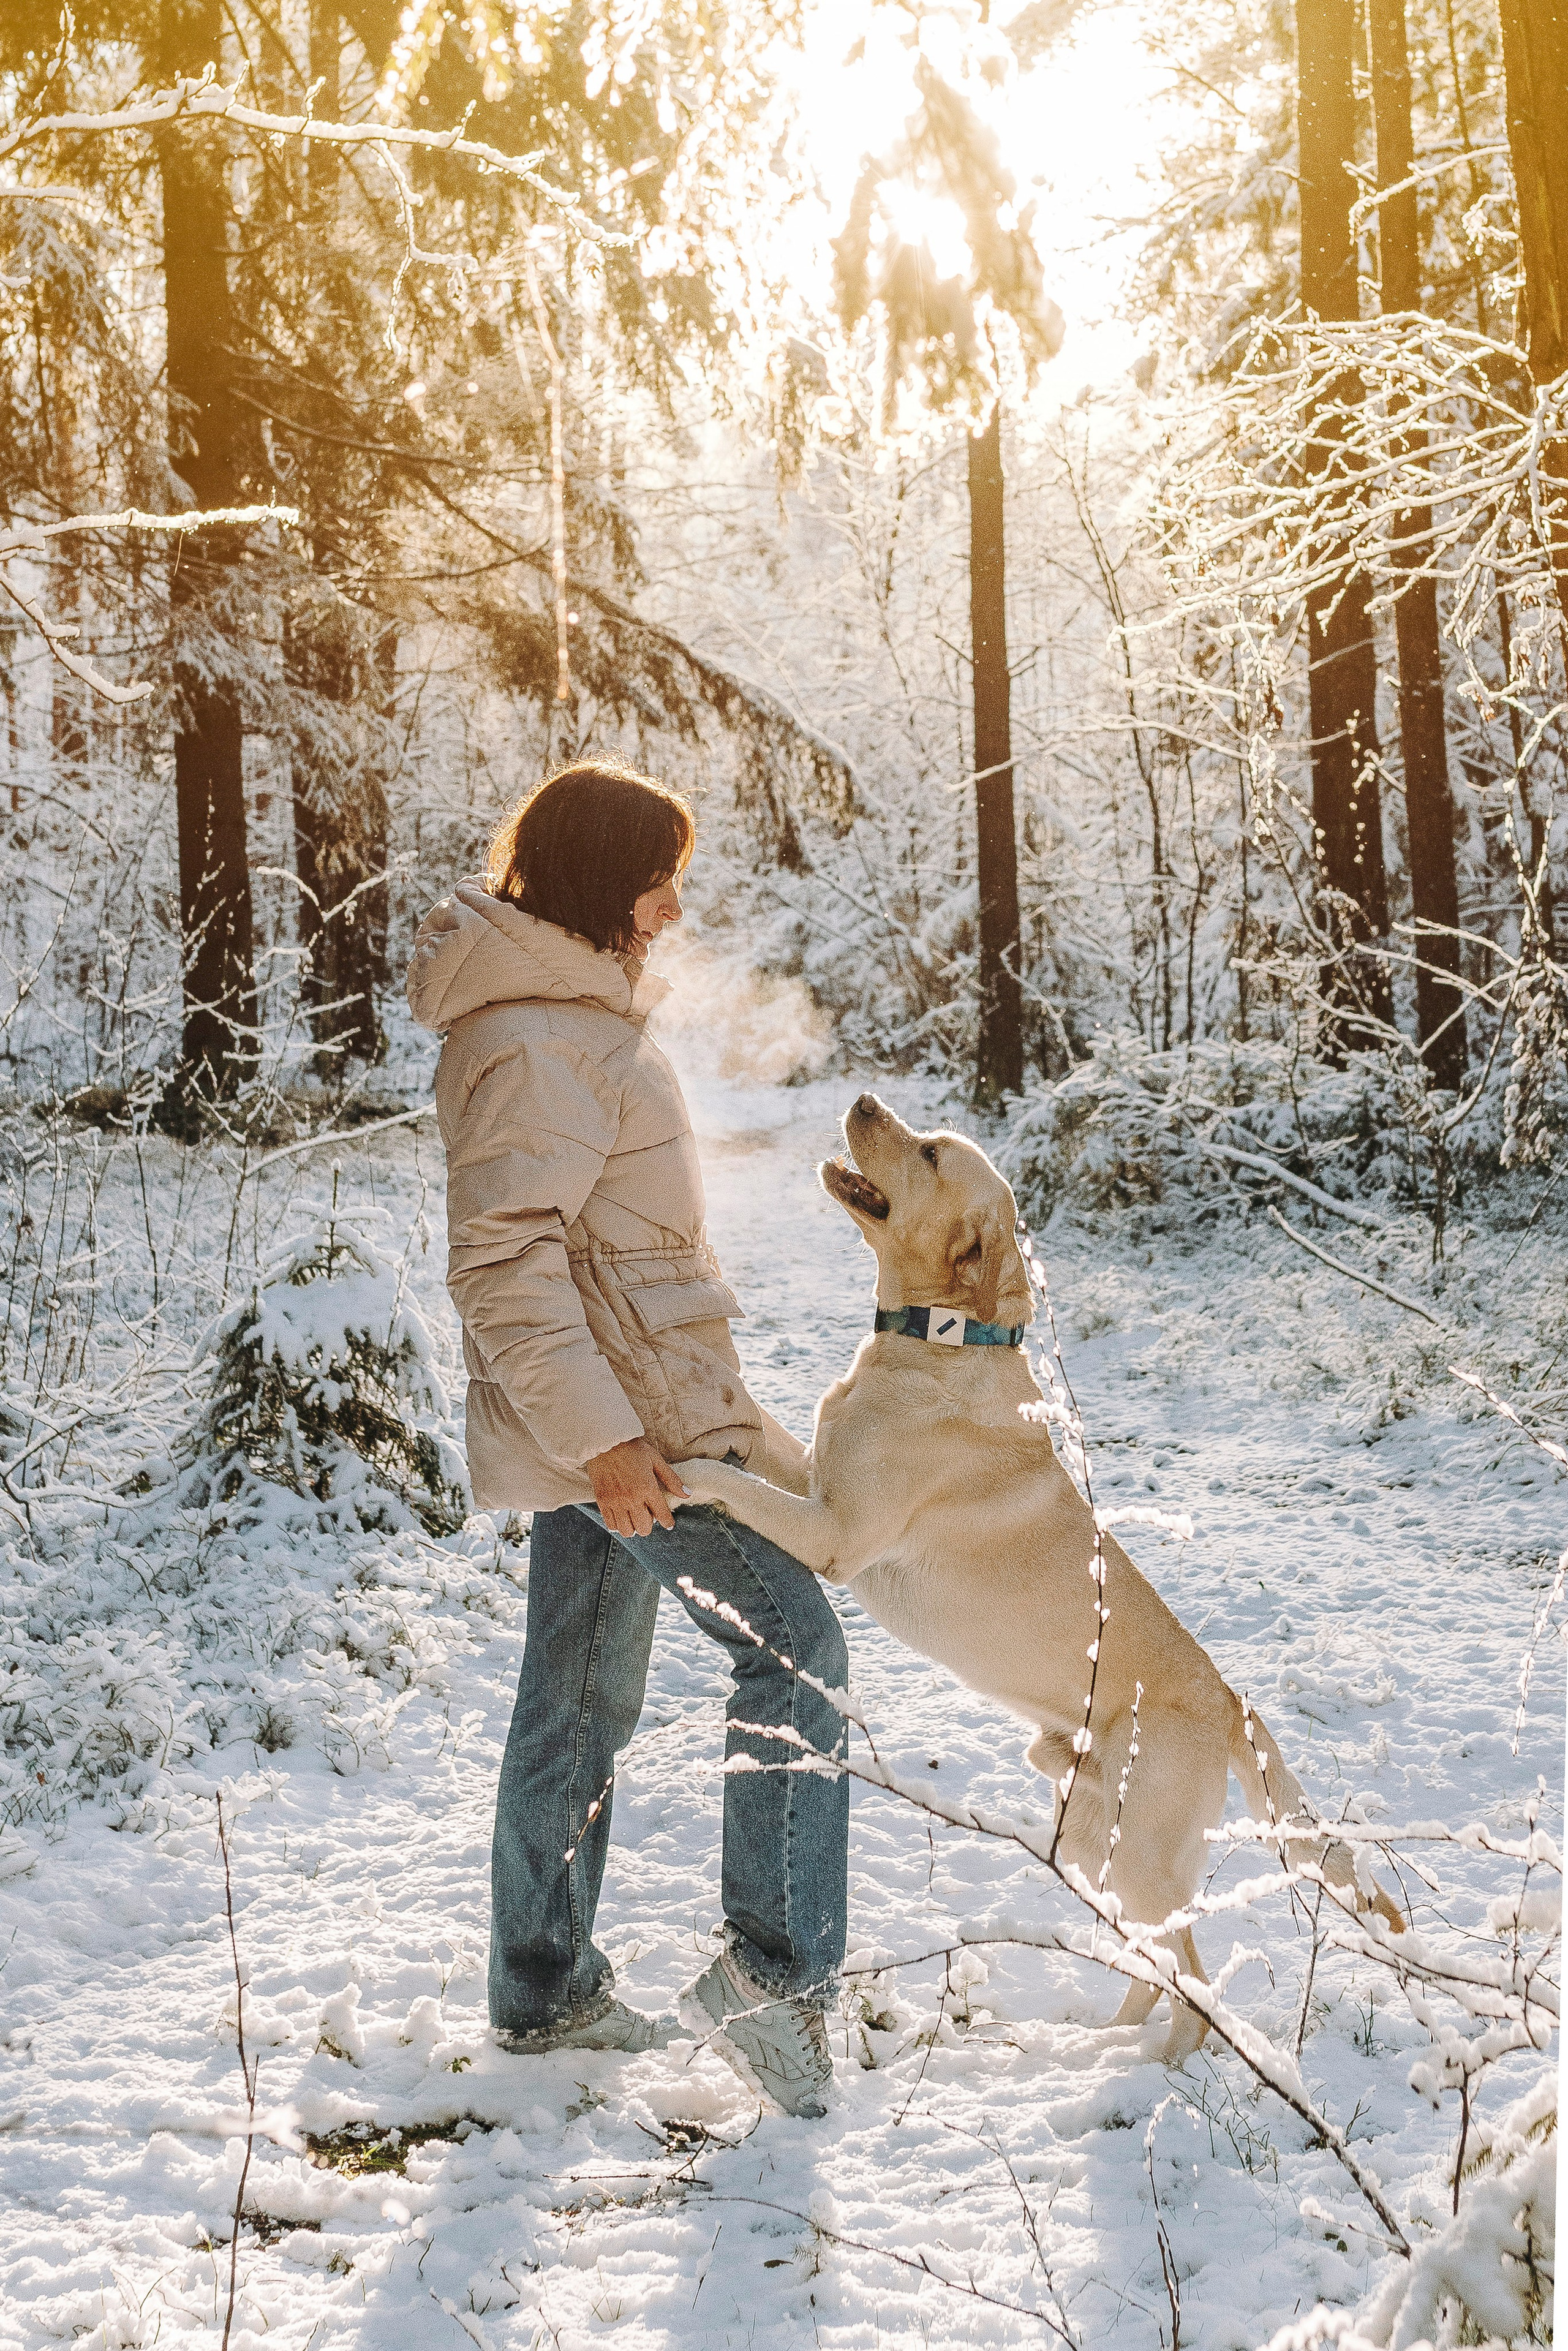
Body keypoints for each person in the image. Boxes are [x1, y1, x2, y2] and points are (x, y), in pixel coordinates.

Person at [406, 761, 850, 2117]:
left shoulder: (563, 1015)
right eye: (656, 874)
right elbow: (504, 1267)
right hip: (636, 1437)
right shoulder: (539, 1035)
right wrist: (605, 1441)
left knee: (577, 1697)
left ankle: (543, 1989)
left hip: (626, 1419)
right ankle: (770, 1979)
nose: (670, 905)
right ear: (601, 875)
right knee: (795, 1651)